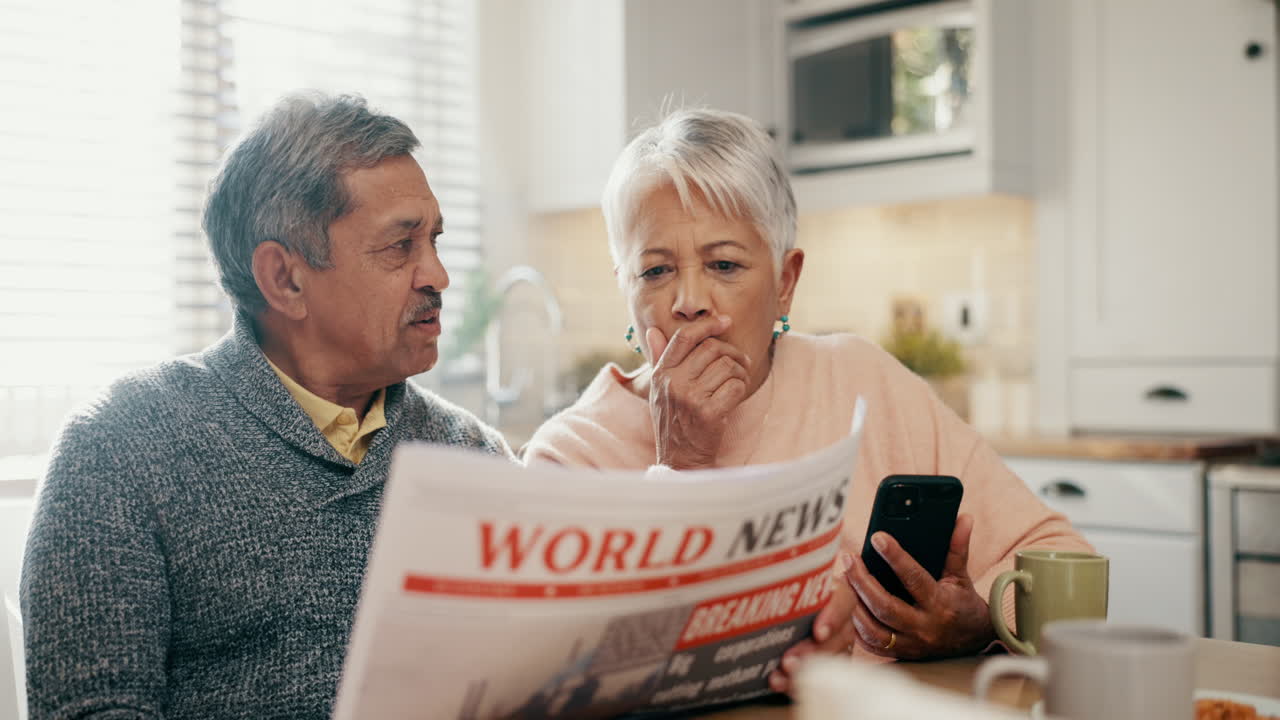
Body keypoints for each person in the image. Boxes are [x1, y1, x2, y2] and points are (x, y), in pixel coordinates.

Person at [523, 108, 1092, 691]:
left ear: (785, 282)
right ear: (623, 285)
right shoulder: (566, 458)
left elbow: (1061, 561)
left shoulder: (862, 379)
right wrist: (683, 468)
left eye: (724, 265)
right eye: (655, 271)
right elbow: (563, 678)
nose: (689, 300)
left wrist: (977, 624)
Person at [21, 93, 510, 719]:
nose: (437, 274)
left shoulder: (475, 456)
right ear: (284, 279)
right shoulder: (119, 449)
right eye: (400, 246)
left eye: (435, 240)